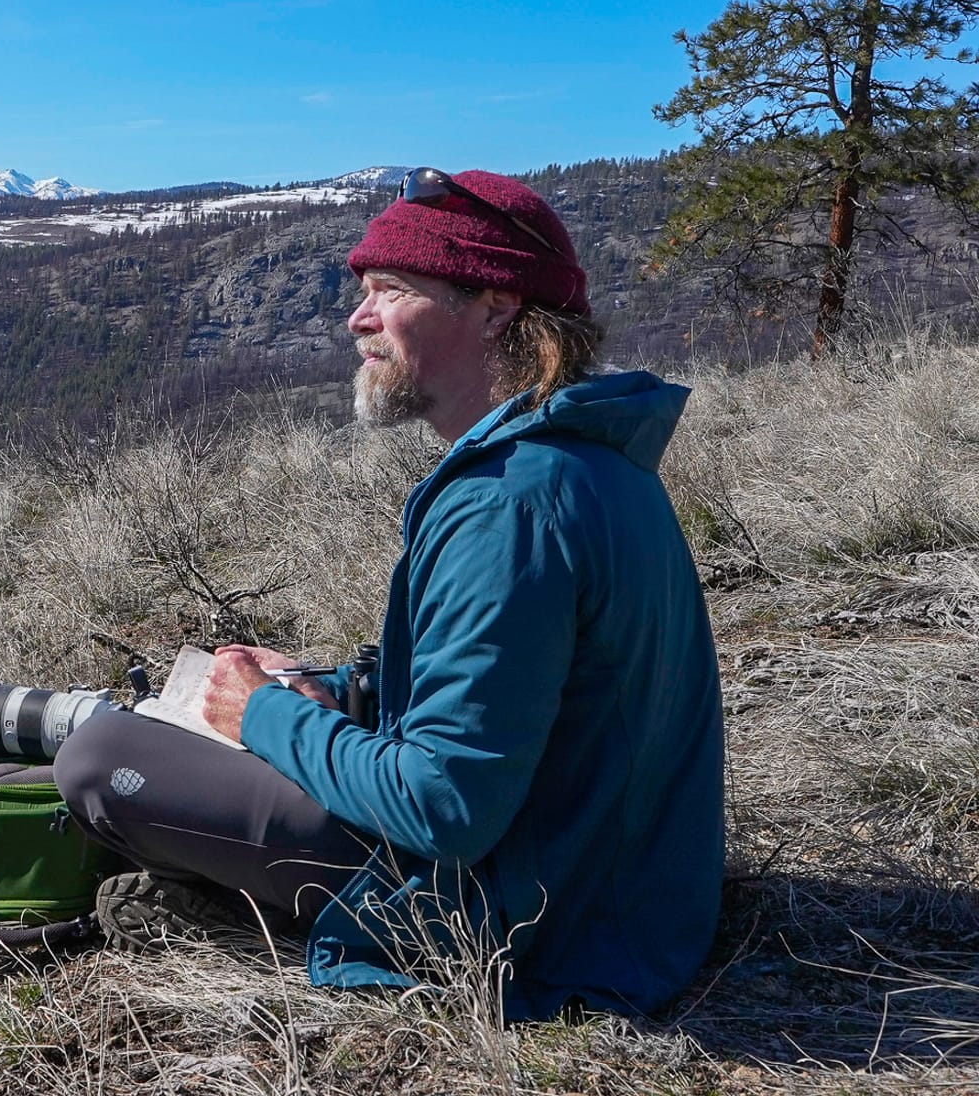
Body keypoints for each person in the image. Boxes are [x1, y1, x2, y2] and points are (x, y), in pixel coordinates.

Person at [54, 168, 724, 1019]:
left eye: (391, 290)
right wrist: (337, 694)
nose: (357, 318)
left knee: (101, 758)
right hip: (621, 890)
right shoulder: (583, 460)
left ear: (495, 305)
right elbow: (533, 702)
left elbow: (445, 809)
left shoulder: (509, 506)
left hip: (535, 924)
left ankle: (258, 912)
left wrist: (263, 717)